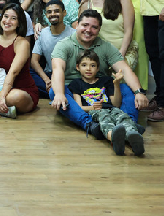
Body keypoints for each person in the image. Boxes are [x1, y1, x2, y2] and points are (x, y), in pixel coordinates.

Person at [49, 9, 148, 138]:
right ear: (77, 25)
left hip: (101, 89)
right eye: (85, 25)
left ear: (99, 29)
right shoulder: (64, 45)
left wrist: (139, 92)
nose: (88, 30)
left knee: (127, 89)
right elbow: (57, 69)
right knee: (54, 91)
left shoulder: (106, 47)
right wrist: (60, 94)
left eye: (94, 27)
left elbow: (124, 69)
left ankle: (128, 125)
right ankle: (90, 125)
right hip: (73, 91)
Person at [69, 50, 145, 156]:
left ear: (98, 68)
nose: (88, 69)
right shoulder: (76, 84)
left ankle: (133, 138)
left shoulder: (106, 80)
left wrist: (116, 84)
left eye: (93, 65)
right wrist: (92, 108)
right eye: (84, 65)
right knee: (105, 119)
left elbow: (116, 104)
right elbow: (79, 107)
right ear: (78, 67)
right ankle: (114, 139)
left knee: (123, 117)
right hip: (96, 111)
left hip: (111, 108)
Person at [79, 0, 139, 82]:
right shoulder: (87, 3)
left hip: (123, 51)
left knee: (116, 83)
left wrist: (120, 55)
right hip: (96, 55)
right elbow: (81, 32)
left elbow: (129, 31)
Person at [0, 3, 38, 116]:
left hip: (20, 90)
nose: (8, 21)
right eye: (5, 16)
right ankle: (2, 109)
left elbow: (13, 73)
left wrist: (2, 97)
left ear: (19, 23)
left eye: (13, 18)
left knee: (14, 97)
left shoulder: (23, 43)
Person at [31, 0, 74, 98]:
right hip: (49, 74)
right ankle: (55, 90)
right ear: (46, 15)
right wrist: (47, 80)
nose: (53, 14)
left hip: (68, 76)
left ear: (64, 13)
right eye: (49, 12)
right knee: (28, 73)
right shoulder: (42, 33)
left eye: (57, 11)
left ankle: (56, 91)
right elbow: (34, 61)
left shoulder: (74, 34)